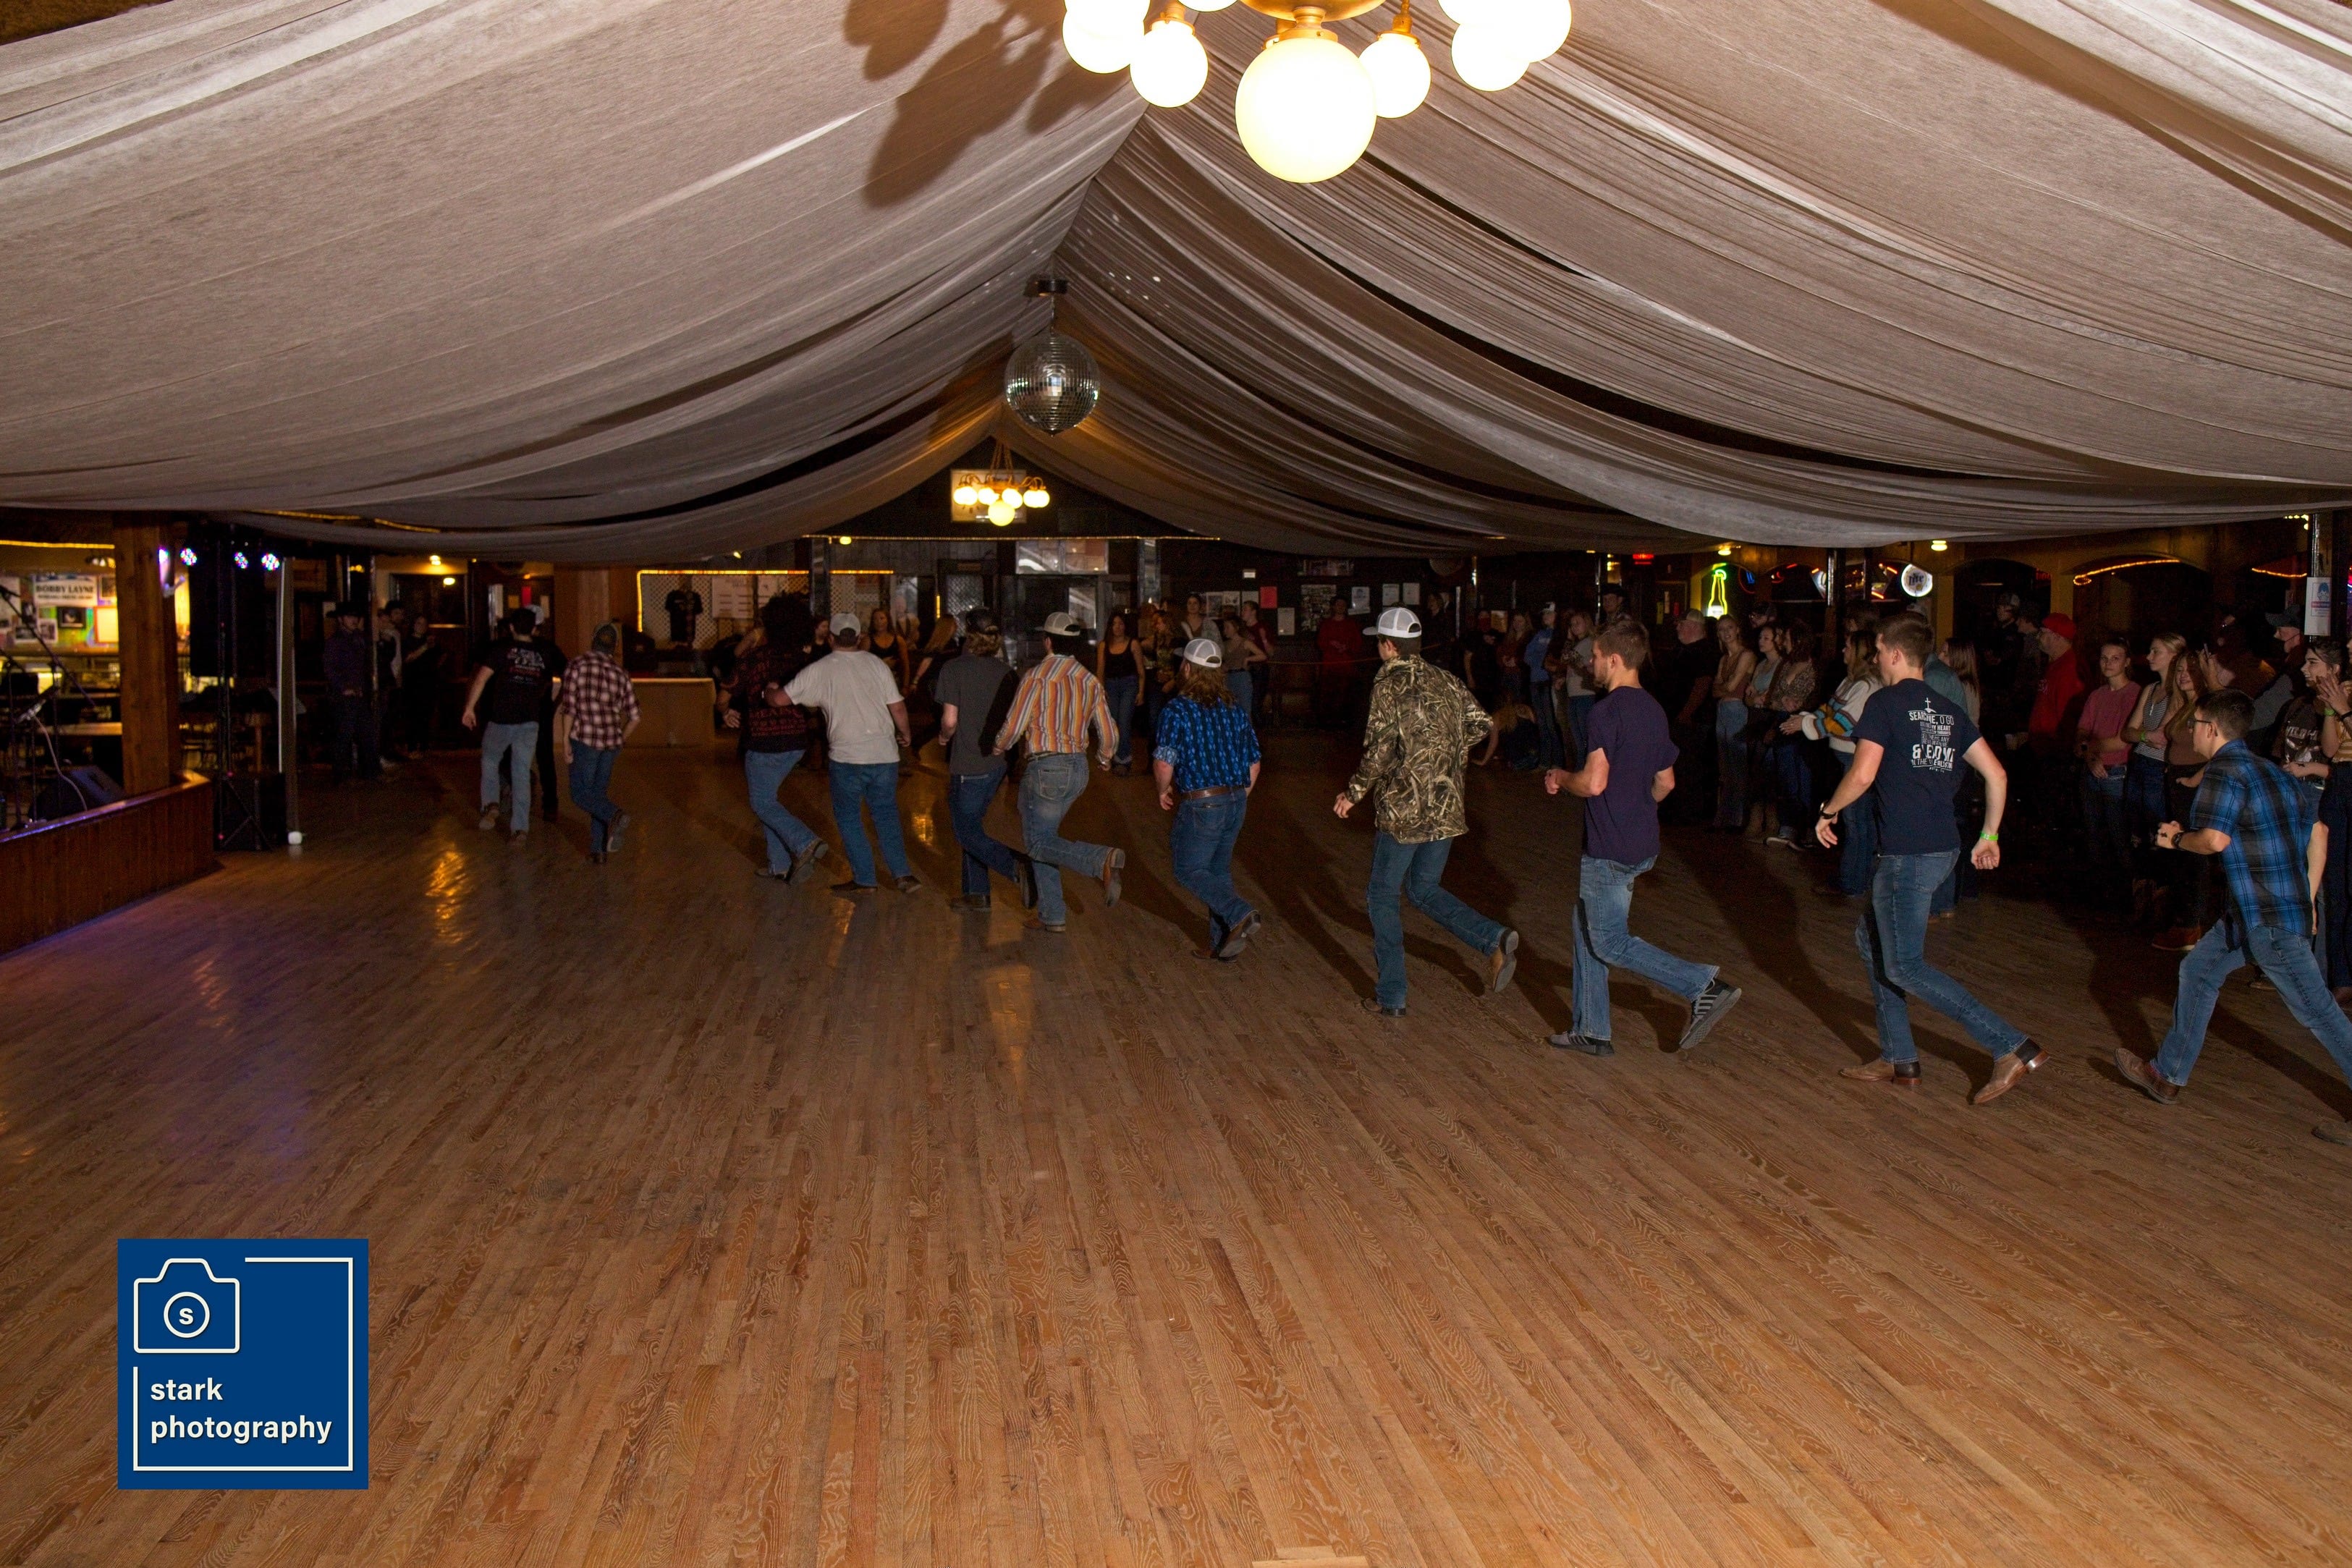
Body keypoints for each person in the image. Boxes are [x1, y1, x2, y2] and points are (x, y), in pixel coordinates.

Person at [1816, 611, 2044, 1102]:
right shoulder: (1948, 709)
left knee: (1905, 966)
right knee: (1872, 943)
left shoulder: (1884, 703)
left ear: (1896, 654)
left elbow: (1862, 775)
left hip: (1908, 853)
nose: (1876, 658)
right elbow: (1997, 775)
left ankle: (2010, 1045)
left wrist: (1828, 810)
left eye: (1880, 651)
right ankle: (1898, 1056)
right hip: (1943, 847)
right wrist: (1990, 835)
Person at [2118, 689, 2352, 1146]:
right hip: (2252, 913)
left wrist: (2176, 839)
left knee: (2320, 1013)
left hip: (2267, 920)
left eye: (2194, 723)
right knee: (2199, 970)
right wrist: (2305, 902)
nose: (2190, 730)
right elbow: (2319, 833)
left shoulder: (2223, 772)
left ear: (2211, 729)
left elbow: (2213, 841)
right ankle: (2167, 1075)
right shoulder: (2274, 772)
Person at [1544, 620, 1741, 1056]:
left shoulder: (1605, 712)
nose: (1591, 663)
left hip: (1609, 846)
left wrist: (1560, 776)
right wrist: (1636, 808)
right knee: (1586, 926)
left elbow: (1593, 783)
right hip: (1641, 840)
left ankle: (1703, 985)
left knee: (1609, 940)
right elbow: (1666, 782)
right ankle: (1591, 1028)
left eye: (1596, 656)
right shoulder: (1653, 709)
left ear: (1614, 659)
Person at [1333, 608, 1519, 1019]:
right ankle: (1493, 939)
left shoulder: (1388, 683)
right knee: (1423, 889)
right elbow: (1480, 724)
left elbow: (1381, 749)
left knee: (1382, 896)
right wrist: (1441, 755)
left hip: (1405, 810)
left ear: (1389, 646)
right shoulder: (1446, 679)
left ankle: (1392, 995)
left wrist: (1354, 792)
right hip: (1446, 806)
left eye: (1379, 642)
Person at [994, 611, 1122, 933]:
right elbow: (1109, 733)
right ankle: (1052, 914)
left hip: (1047, 768)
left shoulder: (1037, 676)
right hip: (1078, 769)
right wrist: (1105, 758)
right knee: (1045, 838)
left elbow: (1014, 725)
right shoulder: (1089, 680)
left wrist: (999, 746)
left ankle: (1099, 860)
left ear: (1047, 641)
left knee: (1038, 842)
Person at [787, 613, 917, 894]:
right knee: (886, 815)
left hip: (847, 758)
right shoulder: (877, 665)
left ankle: (865, 878)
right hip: (884, 755)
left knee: (849, 818)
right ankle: (903, 876)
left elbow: (783, 698)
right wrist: (906, 734)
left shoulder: (821, 668)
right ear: (859, 638)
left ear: (831, 638)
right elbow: (897, 707)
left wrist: (768, 694)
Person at [1154, 637, 1264, 959]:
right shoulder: (1234, 709)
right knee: (1217, 870)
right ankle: (1222, 944)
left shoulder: (1177, 710)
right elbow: (1254, 763)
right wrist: (1236, 798)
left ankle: (1239, 912)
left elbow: (1164, 762)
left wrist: (1162, 789)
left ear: (1188, 669)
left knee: (1188, 869)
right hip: (1235, 800)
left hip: (1203, 802)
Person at [721, 594, 829, 885]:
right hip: (796, 741)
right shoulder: (803, 661)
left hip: (763, 741)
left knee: (762, 802)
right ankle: (778, 864)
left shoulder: (753, 658)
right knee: (769, 800)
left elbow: (723, 695)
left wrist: (726, 711)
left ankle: (805, 841)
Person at [934, 613, 1029, 912]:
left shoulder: (954, 669)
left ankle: (1016, 867)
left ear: (968, 634)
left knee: (965, 832)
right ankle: (977, 894)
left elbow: (950, 721)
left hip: (968, 763)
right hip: (996, 763)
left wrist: (943, 737)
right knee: (973, 827)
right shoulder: (1008, 674)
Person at [1792, 627, 1882, 894]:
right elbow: (1829, 709)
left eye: (1848, 646)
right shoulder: (1851, 681)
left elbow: (1843, 722)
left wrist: (1807, 725)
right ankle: (1855, 877)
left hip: (1855, 758)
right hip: (1844, 757)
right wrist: (1807, 719)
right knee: (1856, 821)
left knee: (1857, 822)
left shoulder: (1866, 686)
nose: (1844, 650)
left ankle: (1853, 882)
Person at [460, 608, 558, 840]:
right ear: (534, 628)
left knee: (490, 760)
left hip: (501, 719)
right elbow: (557, 679)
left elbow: (481, 678)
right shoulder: (544, 654)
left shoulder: (501, 649)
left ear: (512, 627)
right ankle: (520, 828)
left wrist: (469, 707)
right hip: (530, 721)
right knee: (521, 772)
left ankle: (491, 803)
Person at [554, 622, 640, 863]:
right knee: (598, 794)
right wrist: (621, 739)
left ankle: (615, 815)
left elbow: (570, 707)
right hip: (610, 743)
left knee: (580, 794)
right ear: (615, 647)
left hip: (585, 740)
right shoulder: (620, 673)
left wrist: (565, 739)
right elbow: (635, 717)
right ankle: (598, 850)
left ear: (593, 640)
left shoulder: (577, 665)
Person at [2123, 634, 2184, 923]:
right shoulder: (2151, 689)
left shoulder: (2179, 693)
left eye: (2156, 651)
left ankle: (2161, 903)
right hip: (2140, 763)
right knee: (2137, 833)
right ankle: (2142, 898)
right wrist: (2145, 735)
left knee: (2158, 834)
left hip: (2159, 768)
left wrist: (2143, 735)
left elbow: (2162, 736)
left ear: (2174, 655)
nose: (2149, 657)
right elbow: (2129, 732)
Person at [2077, 635, 2141, 902]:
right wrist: (2090, 757)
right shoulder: (2097, 695)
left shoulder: (2135, 694)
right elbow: (2082, 732)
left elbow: (2123, 739)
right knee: (2093, 832)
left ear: (2127, 662)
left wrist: (2091, 750)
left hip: (2117, 771)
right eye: (2104, 658)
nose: (2108, 663)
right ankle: (2099, 891)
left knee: (2118, 834)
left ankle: (2126, 893)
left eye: (2115, 658)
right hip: (2093, 768)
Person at [322, 603, 381, 784]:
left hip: (359, 693)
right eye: (349, 617)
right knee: (344, 735)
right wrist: (343, 687)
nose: (354, 620)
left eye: (355, 617)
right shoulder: (335, 642)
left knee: (366, 732)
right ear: (341, 619)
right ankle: (341, 774)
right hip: (344, 696)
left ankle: (370, 772)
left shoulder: (358, 638)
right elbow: (329, 668)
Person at [1709, 618, 1759, 831]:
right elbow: (1715, 690)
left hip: (1737, 708)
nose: (1726, 632)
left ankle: (1737, 818)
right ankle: (1725, 816)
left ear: (1738, 629)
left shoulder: (1746, 655)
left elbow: (1730, 686)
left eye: (1730, 628)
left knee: (1737, 764)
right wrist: (1723, 688)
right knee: (1725, 766)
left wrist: (1723, 688)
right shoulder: (1724, 659)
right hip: (1723, 709)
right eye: (1722, 629)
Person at [529, 614, 568, 822]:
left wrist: (555, 704)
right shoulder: (548, 649)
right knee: (544, 758)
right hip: (540, 710)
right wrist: (555, 703)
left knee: (540, 757)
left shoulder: (545, 649)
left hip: (530, 711)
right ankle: (550, 804)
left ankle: (547, 803)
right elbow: (568, 677)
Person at [1096, 609, 1146, 773]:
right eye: (1114, 624)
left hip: (1129, 685)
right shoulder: (1104, 645)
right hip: (1111, 685)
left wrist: (1141, 691)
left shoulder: (1133, 644)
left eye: (1121, 624)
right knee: (1112, 723)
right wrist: (1101, 690)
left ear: (1126, 626)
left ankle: (1124, 759)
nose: (1117, 627)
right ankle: (1111, 756)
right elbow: (1100, 670)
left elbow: (1140, 670)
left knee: (1124, 721)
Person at [1525, 605, 1562, 770]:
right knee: (1542, 723)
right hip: (1536, 680)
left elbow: (1552, 657)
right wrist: (1541, 661)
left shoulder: (1558, 635)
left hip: (1549, 681)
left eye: (1549, 613)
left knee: (1551, 722)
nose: (1545, 616)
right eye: (1544, 614)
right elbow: (1527, 655)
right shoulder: (1540, 634)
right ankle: (1545, 761)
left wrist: (1540, 660)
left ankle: (1557, 761)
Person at [1316, 602, 1362, 728]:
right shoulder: (1326, 624)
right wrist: (1331, 644)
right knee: (1328, 694)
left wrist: (1347, 647)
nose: (1340, 607)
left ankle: (1344, 722)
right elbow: (1321, 642)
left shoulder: (1351, 624)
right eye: (1338, 605)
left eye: (1343, 605)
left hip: (1347, 666)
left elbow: (1357, 643)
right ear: (1333, 607)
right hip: (1329, 665)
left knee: (1346, 694)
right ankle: (1327, 722)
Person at [1219, 611, 1266, 719]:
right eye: (1224, 628)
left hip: (1242, 677)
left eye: (1228, 627)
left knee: (1245, 709)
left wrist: (1248, 659)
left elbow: (1262, 655)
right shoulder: (1225, 644)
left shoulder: (1245, 642)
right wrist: (1223, 666)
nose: (1225, 630)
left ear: (1236, 628)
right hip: (1228, 677)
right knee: (1228, 709)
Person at [866, 605, 910, 691]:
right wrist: (883, 663)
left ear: (888, 620)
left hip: (894, 681)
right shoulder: (867, 641)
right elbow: (862, 664)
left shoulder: (898, 640)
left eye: (882, 618)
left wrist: (905, 686)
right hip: (874, 682)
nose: (879, 622)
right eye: (875, 619)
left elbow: (905, 665)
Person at [662, 580, 702, 646]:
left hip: (689, 632)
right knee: (678, 646)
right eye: (682, 578)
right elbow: (669, 607)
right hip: (676, 631)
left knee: (687, 646)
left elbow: (698, 610)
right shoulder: (672, 595)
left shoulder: (695, 596)